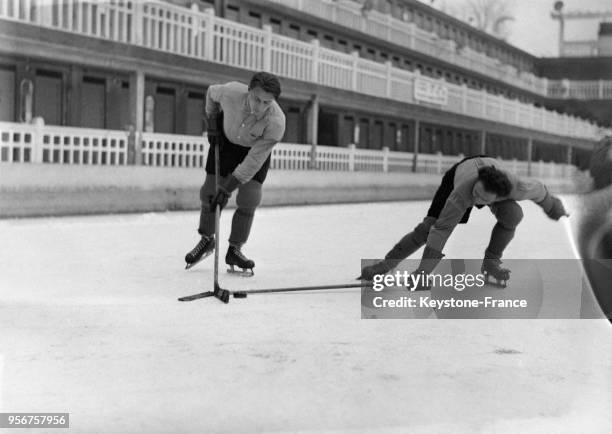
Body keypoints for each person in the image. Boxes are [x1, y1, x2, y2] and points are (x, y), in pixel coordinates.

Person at [360, 155, 568, 285]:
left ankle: (491, 263)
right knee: (428, 229)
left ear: (498, 197)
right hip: (456, 178)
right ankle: (385, 265)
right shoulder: (462, 194)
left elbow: (542, 193)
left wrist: (555, 210)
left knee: (513, 215)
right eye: (476, 194)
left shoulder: (519, 187)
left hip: (491, 176)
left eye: (482, 199)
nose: (475, 201)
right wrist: (423, 272)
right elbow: (441, 230)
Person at [185, 72, 286, 274]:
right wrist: (212, 121)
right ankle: (206, 240)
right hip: (225, 143)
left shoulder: (276, 122)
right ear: (249, 91)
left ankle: (235, 249)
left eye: (267, 102)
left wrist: (229, 187)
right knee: (210, 194)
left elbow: (254, 160)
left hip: (253, 151)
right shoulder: (231, 92)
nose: (260, 106)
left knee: (250, 198)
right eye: (257, 99)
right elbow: (211, 93)